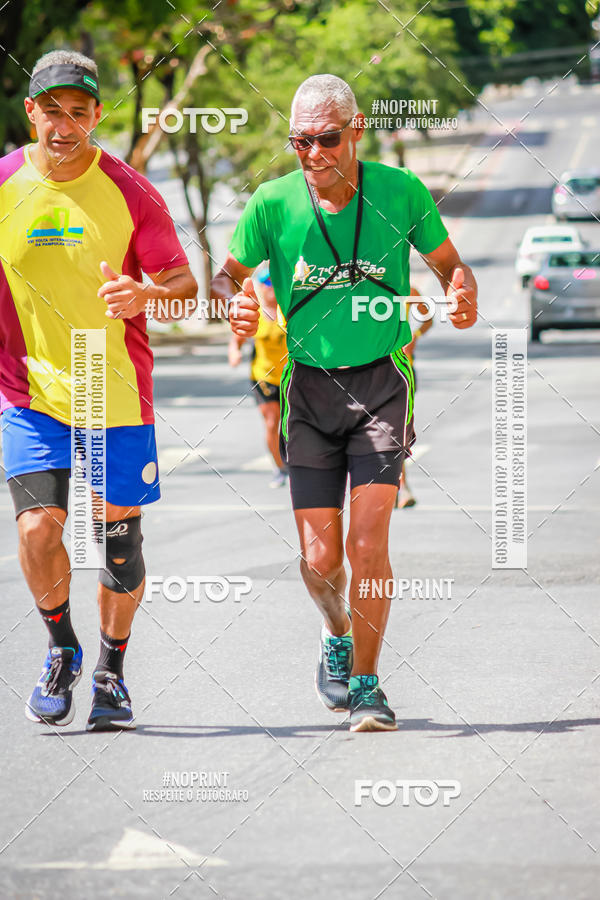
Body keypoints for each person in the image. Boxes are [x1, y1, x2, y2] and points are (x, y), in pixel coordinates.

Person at [212, 74, 477, 732]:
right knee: (318, 559)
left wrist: (462, 287)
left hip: (383, 383)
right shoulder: (272, 204)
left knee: (366, 543)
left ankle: (366, 683)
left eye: (327, 138)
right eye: (300, 141)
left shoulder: (400, 191)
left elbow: (449, 264)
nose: (314, 153)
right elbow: (226, 275)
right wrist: (232, 300)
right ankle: (335, 633)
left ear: (356, 129)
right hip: (308, 390)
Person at [0, 50, 197, 731]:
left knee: (118, 542)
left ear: (96, 117)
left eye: (77, 113)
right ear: (31, 112)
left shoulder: (131, 191)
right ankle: (62, 649)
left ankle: (112, 672)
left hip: (111, 391)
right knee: (36, 528)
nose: (63, 125)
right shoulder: (2, 185)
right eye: (50, 110)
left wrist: (146, 291)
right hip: (29, 392)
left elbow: (183, 286)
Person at [228, 267, 289, 488]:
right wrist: (234, 353)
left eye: (274, 281)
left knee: (291, 424)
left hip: (291, 378)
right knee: (272, 424)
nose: (270, 287)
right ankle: (280, 468)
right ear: (260, 286)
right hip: (264, 377)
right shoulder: (257, 313)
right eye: (266, 282)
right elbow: (238, 339)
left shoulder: (288, 310)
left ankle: (298, 463)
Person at [396, 286, 434, 509]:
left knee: (394, 430)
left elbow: (427, 317)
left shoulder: (408, 288)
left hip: (402, 369)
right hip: (365, 370)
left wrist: (415, 335)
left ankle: (402, 486)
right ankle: (393, 488)